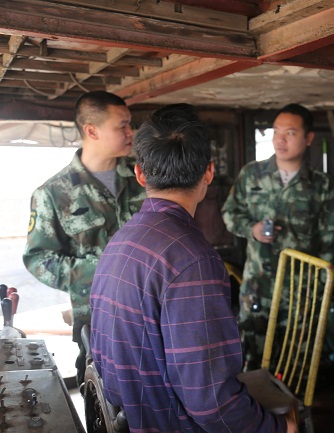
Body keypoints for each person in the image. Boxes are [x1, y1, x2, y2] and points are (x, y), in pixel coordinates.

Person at [90, 104, 296, 433]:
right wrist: (277, 427)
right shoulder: (192, 261)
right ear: (209, 173)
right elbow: (212, 403)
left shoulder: (123, 239)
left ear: (140, 174)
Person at [23, 90, 145, 386]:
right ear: (92, 131)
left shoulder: (144, 178)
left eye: (130, 124)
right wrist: (102, 270)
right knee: (102, 397)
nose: (131, 132)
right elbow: (38, 259)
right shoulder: (54, 193)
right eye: (122, 125)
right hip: (98, 322)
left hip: (151, 316)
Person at [222, 103, 334, 370]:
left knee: (297, 362)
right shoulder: (251, 174)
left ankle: (291, 399)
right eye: (276, 132)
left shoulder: (320, 184)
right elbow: (229, 213)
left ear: (309, 138)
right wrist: (251, 229)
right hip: (258, 285)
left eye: (290, 133)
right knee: (252, 359)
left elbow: (330, 241)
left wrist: (320, 290)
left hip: (301, 290)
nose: (280, 140)